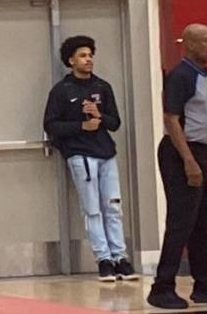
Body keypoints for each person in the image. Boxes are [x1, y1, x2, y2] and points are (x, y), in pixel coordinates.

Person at [147, 23, 207, 310]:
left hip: (202, 151)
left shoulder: (206, 75)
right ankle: (162, 287)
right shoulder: (181, 76)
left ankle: (206, 284)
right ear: (187, 44)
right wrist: (188, 160)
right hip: (180, 153)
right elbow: (171, 119)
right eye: (204, 40)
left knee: (205, 222)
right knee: (182, 221)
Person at [42, 35, 136, 281]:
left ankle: (120, 257)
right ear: (71, 60)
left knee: (113, 207)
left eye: (90, 55)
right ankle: (103, 258)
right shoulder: (62, 91)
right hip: (81, 156)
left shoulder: (102, 87)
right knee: (92, 209)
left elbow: (115, 122)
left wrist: (100, 116)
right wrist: (80, 127)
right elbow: (51, 125)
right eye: (83, 55)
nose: (88, 60)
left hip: (106, 153)